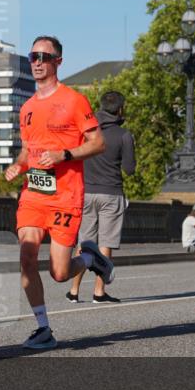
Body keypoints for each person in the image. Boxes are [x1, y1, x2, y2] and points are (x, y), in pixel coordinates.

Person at [4, 35, 115, 350]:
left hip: (66, 197)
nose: (37, 62)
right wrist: (18, 166)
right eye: (33, 56)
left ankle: (91, 259)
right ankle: (43, 328)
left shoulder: (74, 100)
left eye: (44, 56)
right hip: (33, 196)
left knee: (59, 272)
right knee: (26, 258)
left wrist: (64, 155)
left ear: (58, 62)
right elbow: (28, 151)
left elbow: (98, 143)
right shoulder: (26, 107)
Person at [66, 91, 136, 303]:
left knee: (84, 242)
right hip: (111, 193)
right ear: (121, 109)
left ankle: (74, 291)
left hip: (85, 192)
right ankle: (99, 292)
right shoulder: (124, 135)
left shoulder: (86, 131)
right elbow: (129, 169)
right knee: (105, 242)